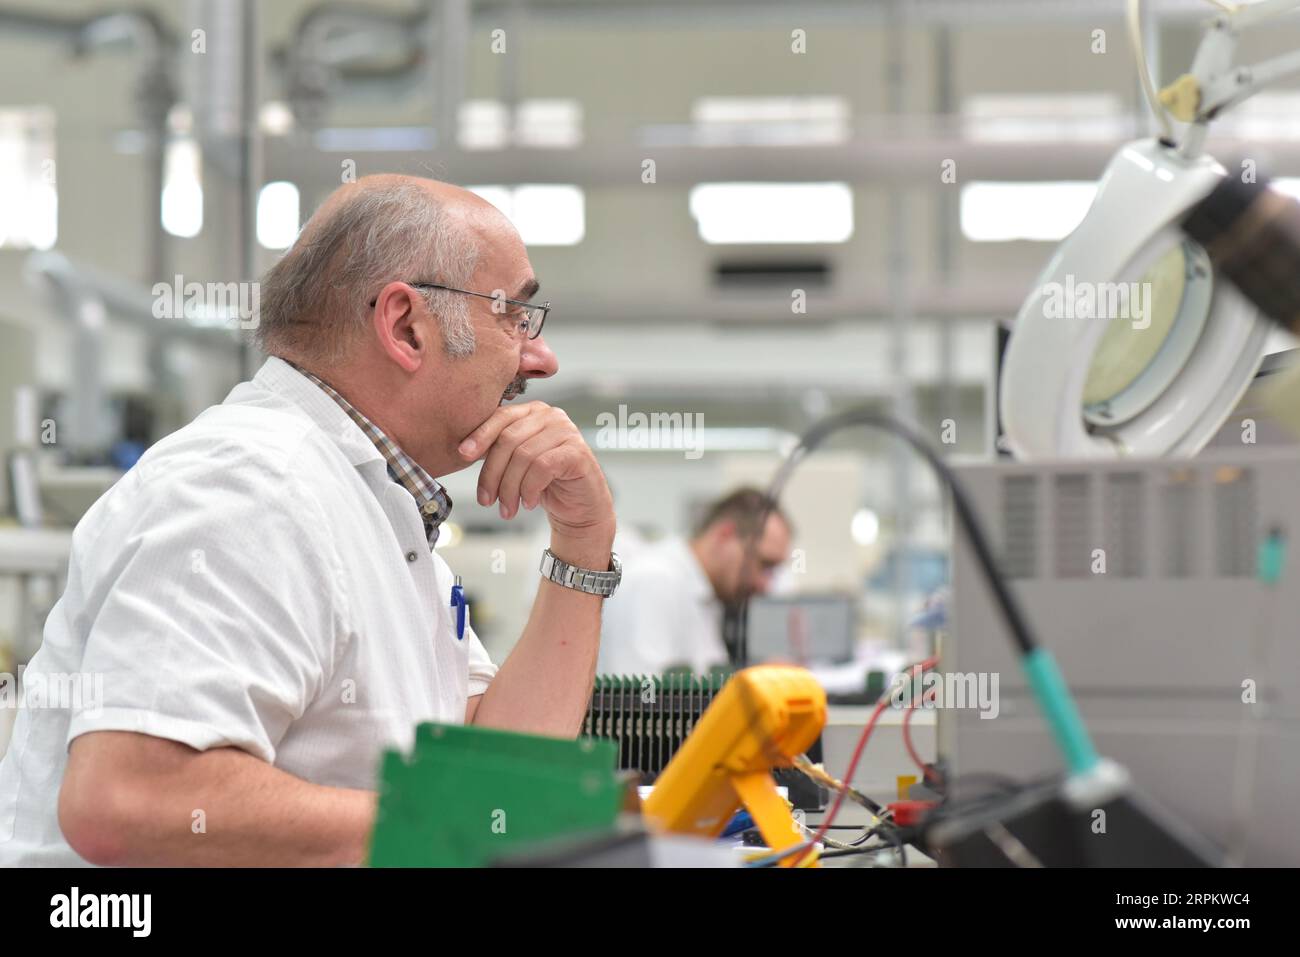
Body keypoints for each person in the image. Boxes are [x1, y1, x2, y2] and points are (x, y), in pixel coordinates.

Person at [0, 175, 621, 866]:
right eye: (514, 316)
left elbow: (498, 772)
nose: (540, 356)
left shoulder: (375, 507)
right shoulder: (251, 485)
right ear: (406, 326)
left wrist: (583, 545)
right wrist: (447, 824)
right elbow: (128, 799)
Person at [596, 487, 792, 677]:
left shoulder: (706, 593)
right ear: (725, 535)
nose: (764, 584)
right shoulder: (654, 581)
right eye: (764, 565)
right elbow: (638, 702)